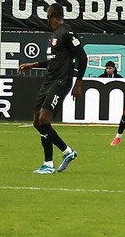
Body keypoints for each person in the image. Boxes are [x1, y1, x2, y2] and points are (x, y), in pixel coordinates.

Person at [16, 9, 83, 174]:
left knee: (45, 118)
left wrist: (78, 83)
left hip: (61, 82)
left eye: (47, 15)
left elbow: (83, 57)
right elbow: (54, 61)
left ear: (51, 16)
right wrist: (33, 65)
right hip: (49, 82)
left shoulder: (66, 33)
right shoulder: (54, 35)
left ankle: (48, 164)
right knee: (37, 122)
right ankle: (67, 151)